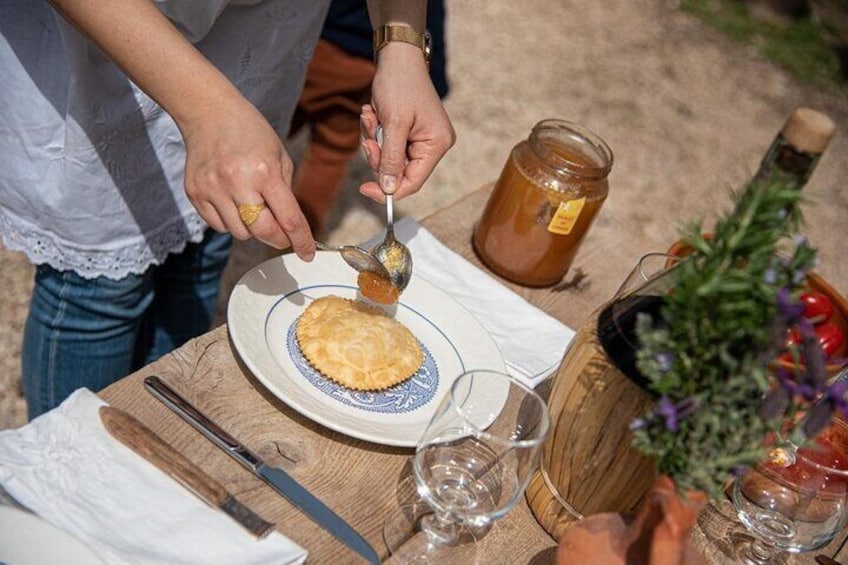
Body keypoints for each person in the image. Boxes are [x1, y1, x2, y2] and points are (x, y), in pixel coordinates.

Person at [0, 0, 454, 419]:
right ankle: (71, 473)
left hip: (261, 39)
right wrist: (204, 110)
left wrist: (403, 41)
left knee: (205, 254)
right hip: (114, 31)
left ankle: (156, 433)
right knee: (100, 294)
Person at [289, 0, 449, 236]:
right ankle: (295, 239)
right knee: (330, 150)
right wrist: (435, 79)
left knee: (275, 123)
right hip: (360, 60)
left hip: (308, 39)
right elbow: (431, 16)